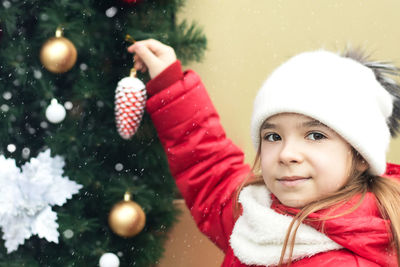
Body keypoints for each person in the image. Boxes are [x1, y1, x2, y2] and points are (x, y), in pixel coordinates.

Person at [127, 39, 400, 266]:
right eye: (273, 136)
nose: (287, 153)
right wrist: (170, 85)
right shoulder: (254, 212)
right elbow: (210, 170)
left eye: (315, 135)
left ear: (361, 156)